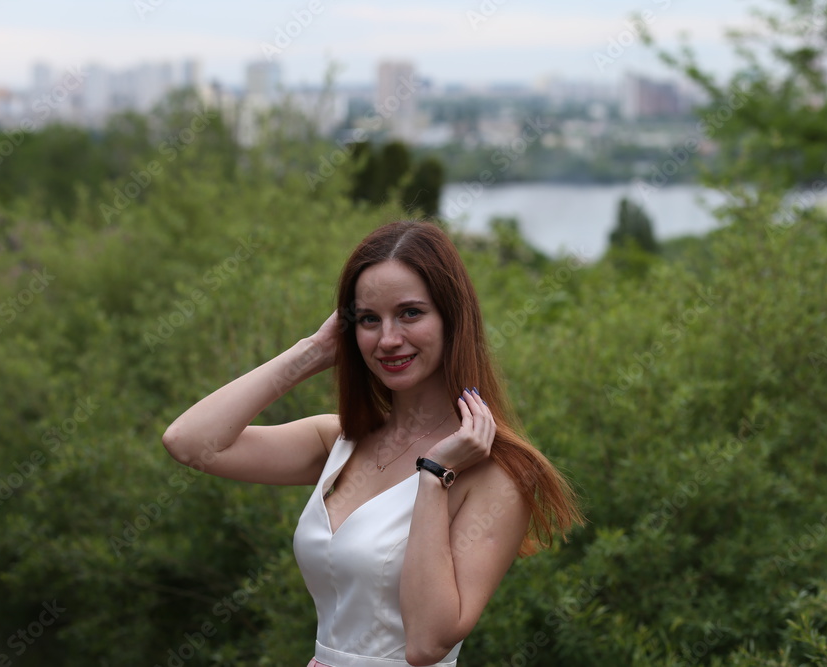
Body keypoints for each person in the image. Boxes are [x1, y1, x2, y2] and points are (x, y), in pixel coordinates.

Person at [162, 220, 583, 667]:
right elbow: (189, 442)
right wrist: (314, 351)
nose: (387, 339)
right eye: (368, 319)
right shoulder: (338, 441)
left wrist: (434, 476)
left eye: (410, 313)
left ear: (452, 319)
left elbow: (426, 645)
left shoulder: (496, 475)